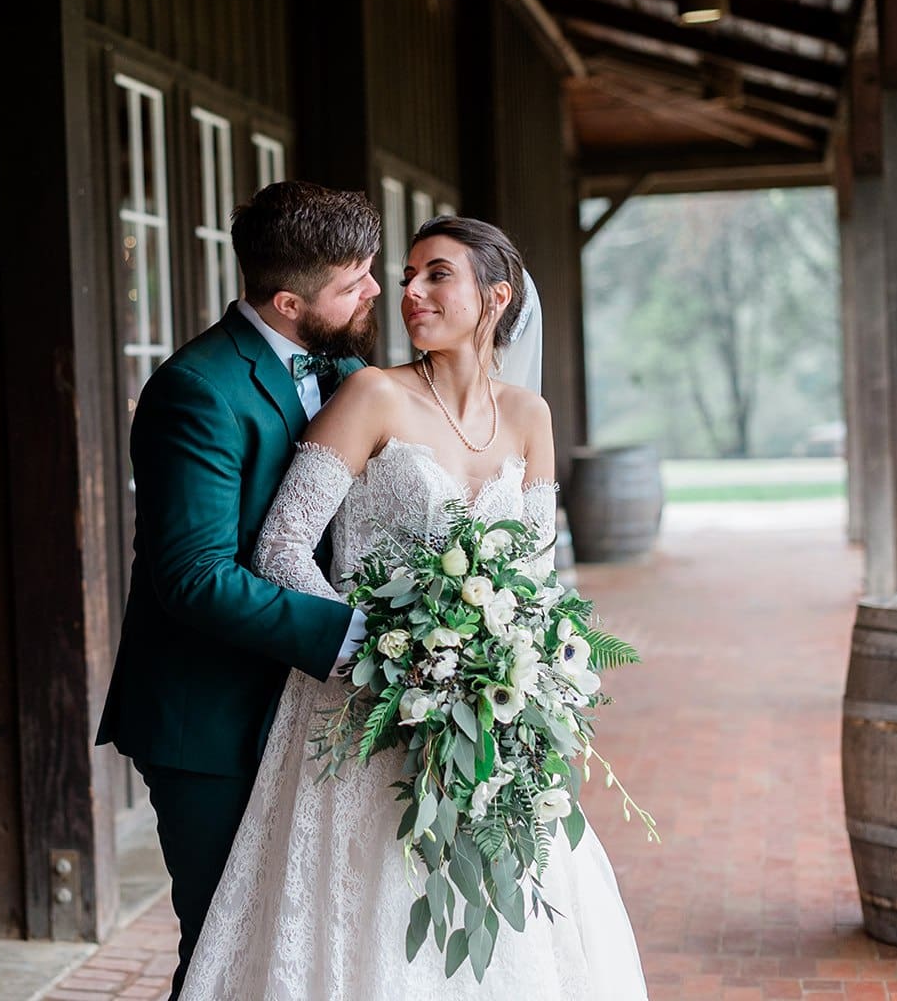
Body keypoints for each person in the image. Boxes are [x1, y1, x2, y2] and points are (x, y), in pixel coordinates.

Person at [177, 216, 647, 999]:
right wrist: (387, 657)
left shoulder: (529, 416)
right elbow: (282, 549)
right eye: (407, 278)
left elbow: (534, 578)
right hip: (357, 710)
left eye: (437, 274)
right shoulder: (371, 393)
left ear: (496, 297)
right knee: (369, 919)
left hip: (487, 719)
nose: (410, 293)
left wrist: (518, 678)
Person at [95, 181, 385, 998]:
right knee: (225, 947)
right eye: (354, 282)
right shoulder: (196, 390)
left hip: (309, 713)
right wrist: (357, 638)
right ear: (289, 302)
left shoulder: (351, 371)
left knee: (302, 942)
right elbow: (194, 578)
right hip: (211, 720)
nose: (375, 290)